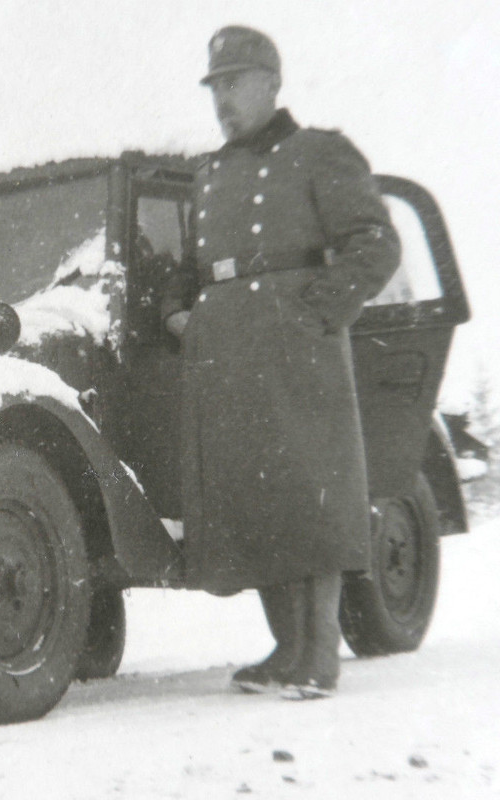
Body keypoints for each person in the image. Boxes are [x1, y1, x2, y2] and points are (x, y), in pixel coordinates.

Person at [162, 27, 400, 699]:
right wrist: (180, 314)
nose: (222, 100)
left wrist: (318, 313)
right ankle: (286, 646)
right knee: (253, 498)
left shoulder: (320, 153)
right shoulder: (208, 175)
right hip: (226, 355)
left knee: (310, 491)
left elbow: (376, 243)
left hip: (298, 349)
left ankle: (321, 652)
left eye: (234, 83)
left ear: (271, 82)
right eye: (215, 87)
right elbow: (187, 269)